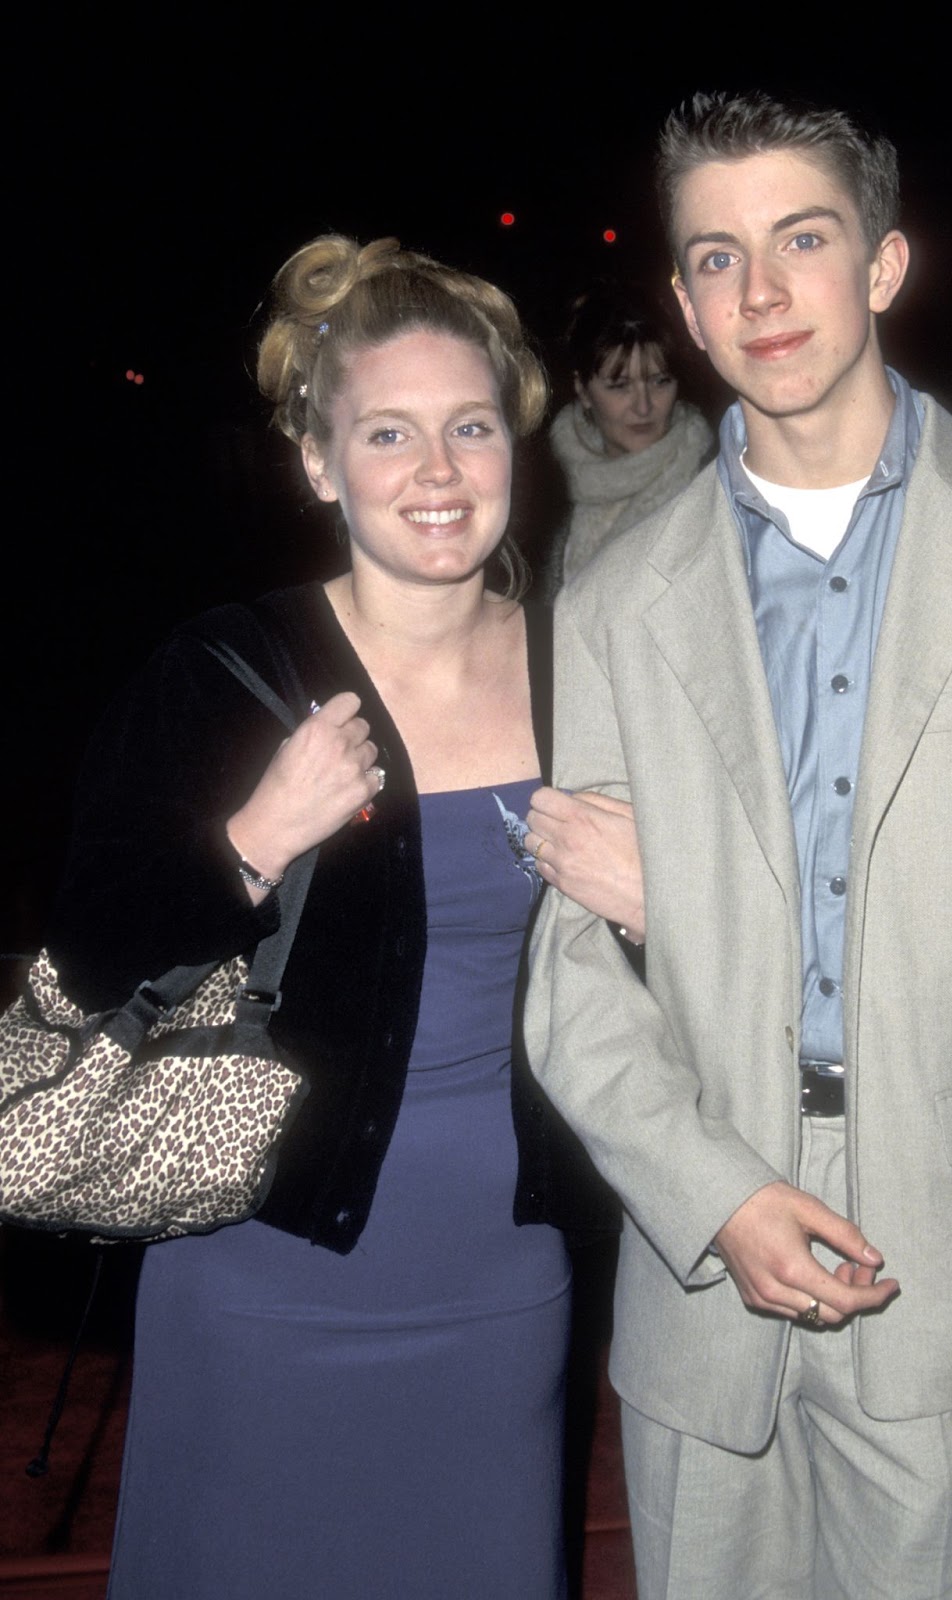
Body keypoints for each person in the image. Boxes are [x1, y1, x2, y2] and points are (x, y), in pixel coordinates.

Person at [525, 93, 952, 1600]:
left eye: (800, 241)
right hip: (703, 1259)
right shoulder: (614, 600)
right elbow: (573, 975)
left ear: (883, 266)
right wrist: (713, 1195)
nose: (760, 295)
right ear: (682, 300)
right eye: (715, 258)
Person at [47, 234, 637, 1600]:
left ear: (515, 444)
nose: (438, 474)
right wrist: (250, 841)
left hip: (508, 1272)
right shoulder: (228, 671)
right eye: (389, 433)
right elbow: (89, 951)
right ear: (320, 462)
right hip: (261, 1275)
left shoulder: (593, 669)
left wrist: (666, 913)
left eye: (469, 429)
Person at [548, 281, 712, 592]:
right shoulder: (544, 495)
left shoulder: (714, 484)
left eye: (660, 381)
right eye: (620, 385)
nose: (644, 405)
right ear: (582, 389)